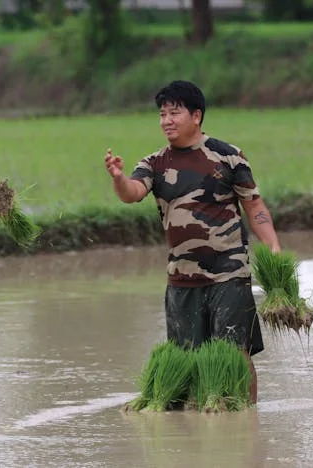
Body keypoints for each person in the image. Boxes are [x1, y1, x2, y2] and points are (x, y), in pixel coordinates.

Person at [103, 80, 282, 404]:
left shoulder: (229, 157)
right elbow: (132, 194)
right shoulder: (154, 163)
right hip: (182, 277)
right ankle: (205, 417)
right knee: (185, 359)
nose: (166, 121)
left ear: (196, 115)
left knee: (234, 351)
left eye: (174, 113)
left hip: (229, 272)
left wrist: (273, 246)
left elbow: (254, 205)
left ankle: (247, 417)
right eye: (162, 114)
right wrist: (118, 179)